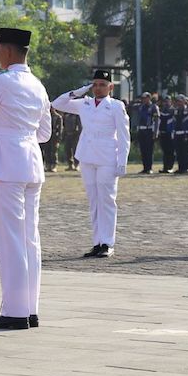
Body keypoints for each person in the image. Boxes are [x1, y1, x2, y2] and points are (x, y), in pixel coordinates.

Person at [0, 28, 52, 330]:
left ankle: (14, 311)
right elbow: (45, 133)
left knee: (10, 239)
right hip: (31, 162)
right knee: (30, 237)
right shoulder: (38, 85)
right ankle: (30, 308)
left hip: (6, 164)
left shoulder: (1, 82)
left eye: (0, 48)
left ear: (8, 52)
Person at [52, 69, 130, 258]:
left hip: (107, 158)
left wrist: (122, 161)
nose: (98, 88)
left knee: (107, 201)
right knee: (94, 201)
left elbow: (124, 135)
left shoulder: (116, 106)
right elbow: (57, 103)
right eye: (95, 84)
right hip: (87, 156)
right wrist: (80, 90)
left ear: (110, 87)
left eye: (102, 84)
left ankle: (107, 243)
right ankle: (97, 242)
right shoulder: (84, 104)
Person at [134, 92, 158, 174]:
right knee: (143, 150)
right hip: (142, 130)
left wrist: (155, 132)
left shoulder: (153, 107)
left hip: (149, 130)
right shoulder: (141, 107)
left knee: (149, 150)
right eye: (143, 98)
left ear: (149, 98)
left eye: (145, 98)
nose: (143, 99)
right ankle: (145, 167)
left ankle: (149, 168)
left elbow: (157, 121)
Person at [172, 95, 188, 174]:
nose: (178, 103)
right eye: (177, 101)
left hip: (186, 134)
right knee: (179, 152)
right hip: (178, 134)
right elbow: (174, 122)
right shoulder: (176, 111)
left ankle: (187, 167)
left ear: (184, 101)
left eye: (180, 101)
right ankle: (181, 167)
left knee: (187, 152)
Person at [41, 108, 63, 173]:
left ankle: (54, 166)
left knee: (53, 152)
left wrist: (58, 139)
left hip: (54, 136)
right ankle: (47, 165)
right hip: (47, 136)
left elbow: (60, 129)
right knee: (47, 151)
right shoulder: (46, 117)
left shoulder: (58, 117)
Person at [157, 98, 176, 173]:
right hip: (163, 132)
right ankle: (165, 167)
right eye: (165, 101)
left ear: (171, 102)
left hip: (170, 133)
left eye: (167, 101)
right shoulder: (162, 110)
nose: (166, 103)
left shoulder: (173, 110)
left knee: (171, 151)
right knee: (165, 151)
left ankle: (170, 167)